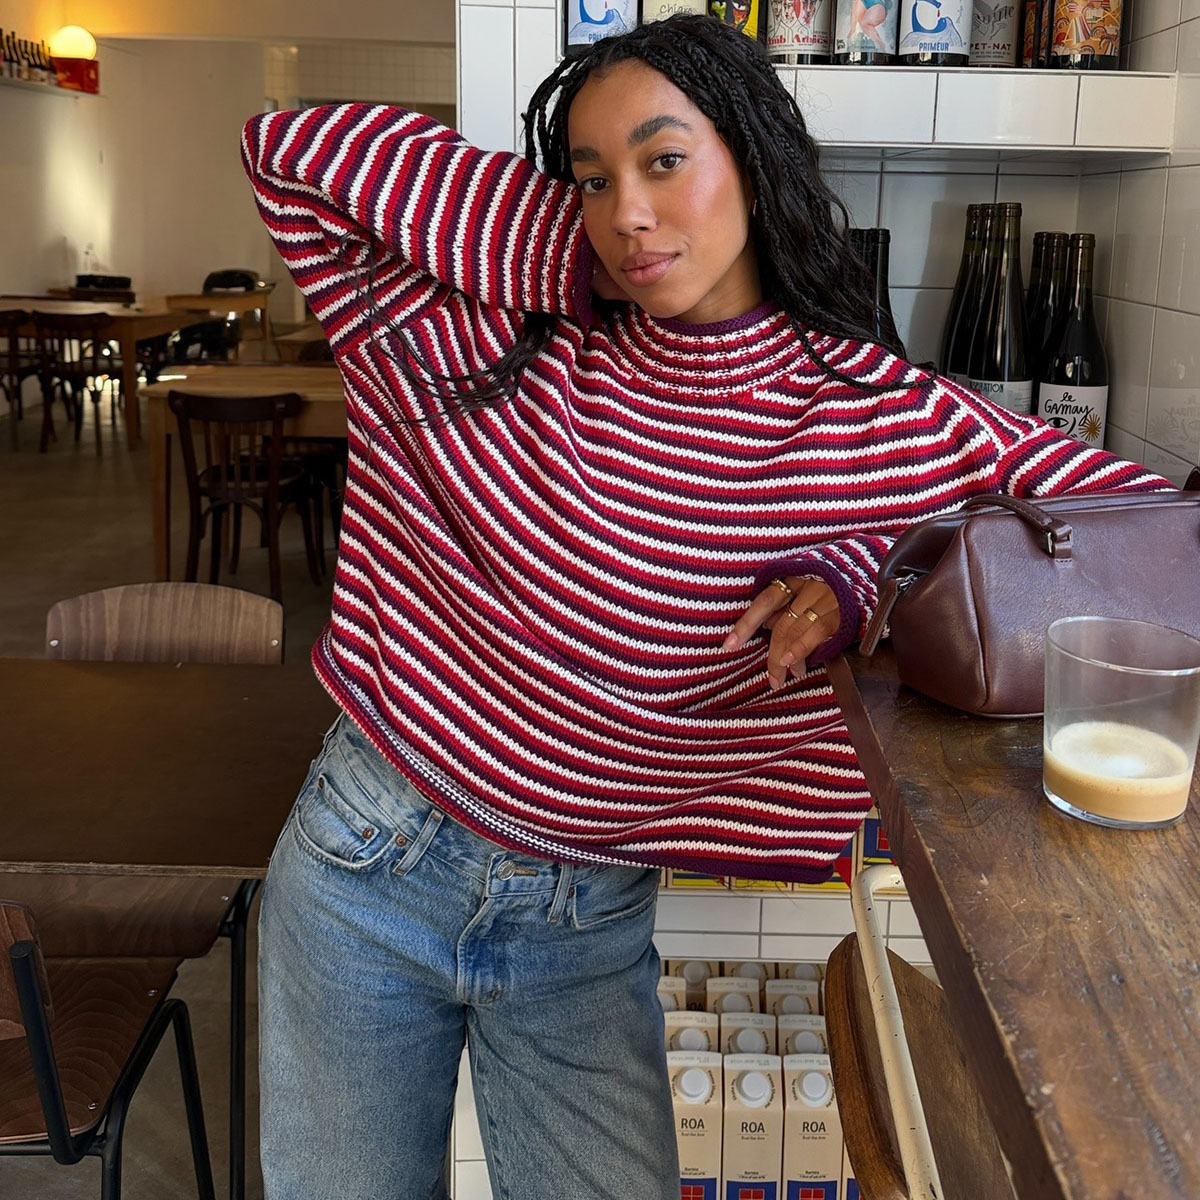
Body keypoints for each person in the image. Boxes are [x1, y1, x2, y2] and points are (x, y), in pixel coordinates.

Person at [241, 15, 1167, 1199]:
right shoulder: (492, 348)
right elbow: (287, 150)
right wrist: (568, 240)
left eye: (664, 159)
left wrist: (875, 571)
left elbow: (1144, 537)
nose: (628, 211)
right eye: (592, 180)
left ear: (754, 160)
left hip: (588, 920)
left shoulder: (887, 423)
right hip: (369, 864)